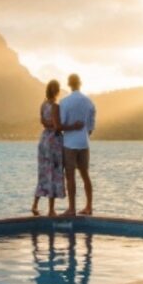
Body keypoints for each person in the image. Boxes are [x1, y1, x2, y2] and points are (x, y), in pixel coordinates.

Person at [31, 79, 82, 216]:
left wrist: (50, 124)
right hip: (54, 141)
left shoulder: (43, 104)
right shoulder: (55, 106)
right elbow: (58, 127)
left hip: (44, 140)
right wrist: (73, 126)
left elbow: (43, 121)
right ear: (57, 91)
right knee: (53, 174)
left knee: (43, 174)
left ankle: (35, 205)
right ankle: (51, 210)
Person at [58, 73, 96, 216]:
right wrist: (84, 134)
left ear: (69, 84)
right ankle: (89, 206)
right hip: (84, 142)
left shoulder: (65, 102)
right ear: (80, 83)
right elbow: (91, 126)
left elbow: (61, 124)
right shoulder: (89, 102)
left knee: (70, 175)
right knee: (85, 174)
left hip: (69, 143)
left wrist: (71, 129)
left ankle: (72, 208)